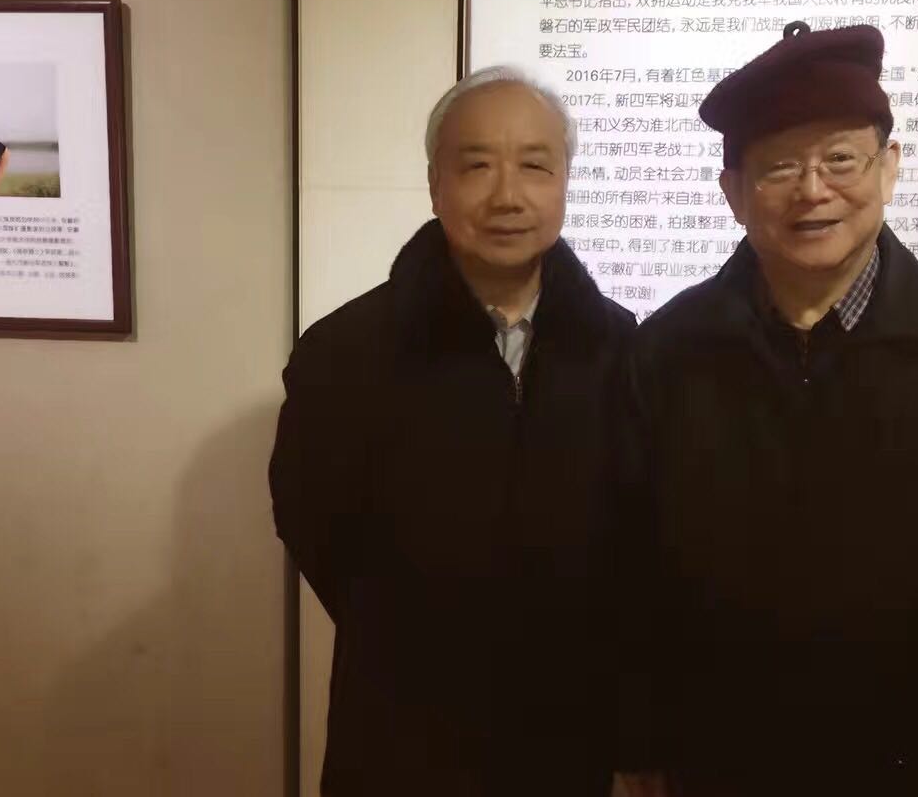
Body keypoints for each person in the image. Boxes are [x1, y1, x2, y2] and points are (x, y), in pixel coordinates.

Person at [633, 21, 918, 795]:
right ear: (733, 193)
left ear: (890, 167)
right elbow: (635, 583)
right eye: (780, 166)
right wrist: (642, 748)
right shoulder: (667, 354)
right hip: (728, 772)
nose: (813, 190)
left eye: (840, 160)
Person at [270, 67, 651, 796]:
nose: (507, 195)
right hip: (401, 735)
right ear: (434, 184)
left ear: (565, 182)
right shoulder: (346, 351)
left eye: (535, 166)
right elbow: (313, 524)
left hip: (565, 735)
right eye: (476, 165)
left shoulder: (618, 348)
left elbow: (634, 535)